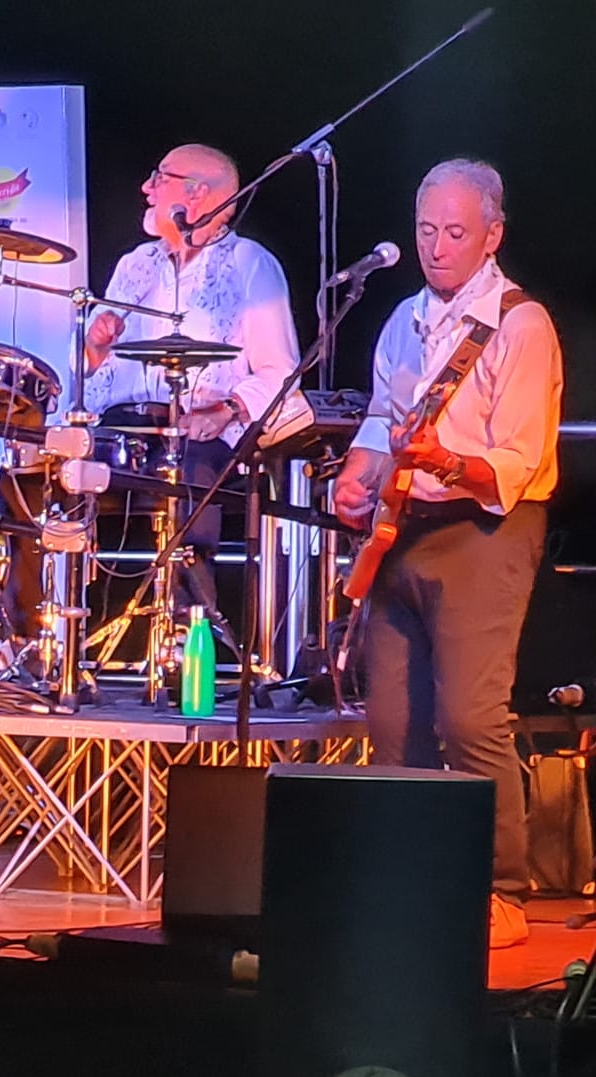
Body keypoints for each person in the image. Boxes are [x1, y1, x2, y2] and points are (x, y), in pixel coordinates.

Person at [332, 158, 563, 949]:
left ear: (492, 235)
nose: (436, 246)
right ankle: (408, 883)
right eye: (426, 229)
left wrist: (444, 463)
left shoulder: (520, 325)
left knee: (470, 717)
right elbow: (381, 417)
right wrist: (359, 473)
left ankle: (502, 891)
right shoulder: (404, 318)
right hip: (405, 528)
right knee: (393, 720)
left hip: (486, 530)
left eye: (455, 232)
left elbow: (517, 464)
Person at [83, 144, 306, 637]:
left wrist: (226, 409)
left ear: (197, 194)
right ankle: (39, 636)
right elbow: (92, 375)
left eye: (159, 177)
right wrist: (94, 349)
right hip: (126, 432)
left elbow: (280, 371)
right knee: (33, 472)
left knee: (187, 475)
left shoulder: (250, 264)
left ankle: (189, 634)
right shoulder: (134, 265)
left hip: (202, 436)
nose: (146, 188)